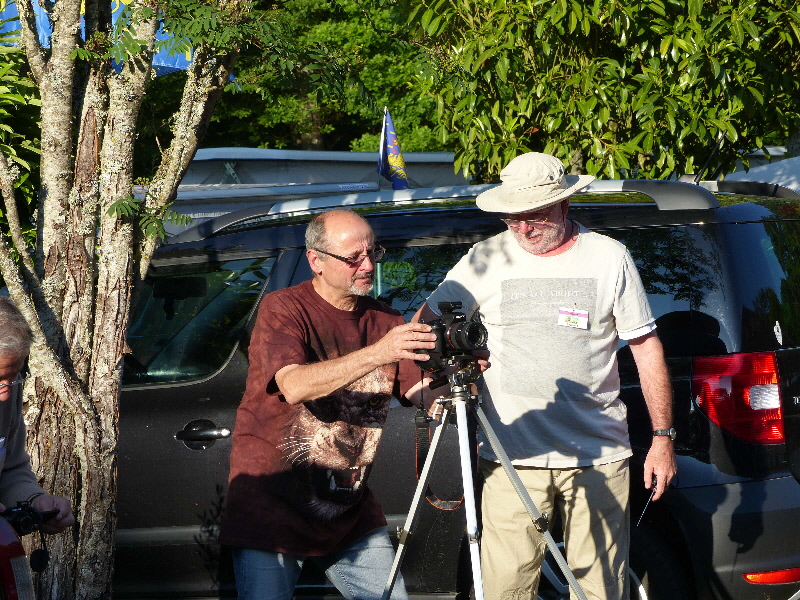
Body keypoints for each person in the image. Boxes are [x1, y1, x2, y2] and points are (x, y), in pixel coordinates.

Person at [416, 153, 677, 600]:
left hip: (598, 454)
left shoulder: (609, 257)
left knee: (599, 589)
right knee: (505, 589)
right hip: (510, 453)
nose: (523, 228)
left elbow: (645, 347)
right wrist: (457, 359)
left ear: (565, 206)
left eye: (533, 216)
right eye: (512, 218)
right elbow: (428, 322)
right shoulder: (486, 258)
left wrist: (662, 437)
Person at [218, 209, 439, 600]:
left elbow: (420, 393)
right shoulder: (283, 308)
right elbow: (294, 385)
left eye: (373, 253)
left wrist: (457, 376)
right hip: (274, 508)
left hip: (347, 508)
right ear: (315, 261)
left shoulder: (385, 318)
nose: (367, 265)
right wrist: (379, 352)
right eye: (353, 257)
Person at [0, 297, 75, 533]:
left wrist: (34, 501)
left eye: (13, 377)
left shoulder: (8, 389)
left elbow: (11, 469)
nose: (5, 395)